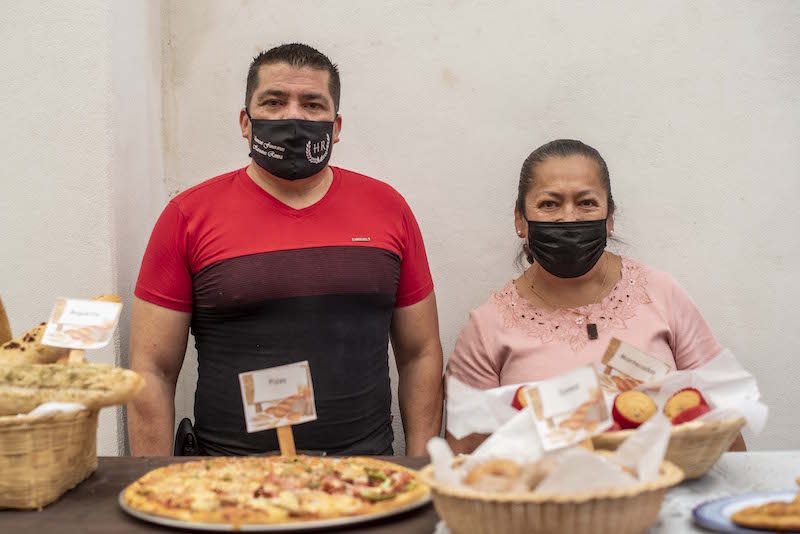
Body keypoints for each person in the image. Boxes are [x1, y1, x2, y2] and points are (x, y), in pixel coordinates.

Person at [128, 43, 443, 457]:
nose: (293, 116)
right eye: (273, 102)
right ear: (245, 121)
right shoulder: (187, 216)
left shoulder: (389, 209)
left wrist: (424, 465)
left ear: (336, 126)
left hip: (366, 477)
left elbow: (420, 353)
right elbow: (153, 369)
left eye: (312, 104)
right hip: (226, 483)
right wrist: (154, 485)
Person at [445, 139, 744, 453]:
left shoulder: (661, 294)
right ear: (520, 219)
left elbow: (723, 422)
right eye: (549, 204)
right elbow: (466, 457)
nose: (569, 218)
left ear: (610, 217)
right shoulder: (487, 327)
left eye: (586, 203)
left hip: (667, 494)